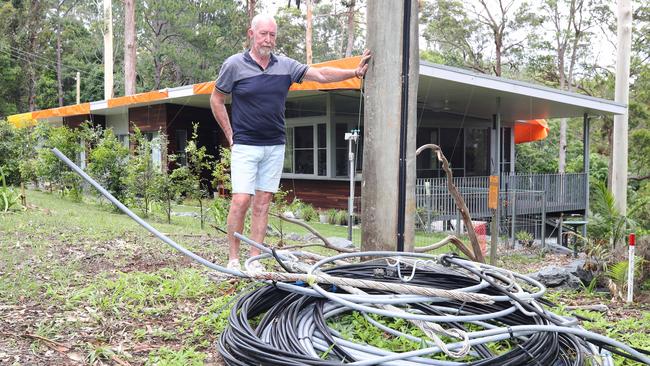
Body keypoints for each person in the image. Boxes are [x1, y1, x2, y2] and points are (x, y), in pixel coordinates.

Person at [210, 13, 371, 271]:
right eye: (263, 33)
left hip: (275, 146)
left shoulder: (284, 65)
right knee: (241, 200)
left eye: (272, 34)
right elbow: (216, 99)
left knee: (263, 204)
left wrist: (354, 71)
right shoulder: (234, 65)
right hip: (245, 146)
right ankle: (233, 259)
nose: (268, 39)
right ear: (251, 34)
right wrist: (230, 136)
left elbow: (319, 74)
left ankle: (254, 260)